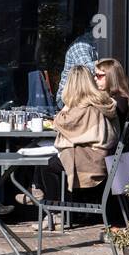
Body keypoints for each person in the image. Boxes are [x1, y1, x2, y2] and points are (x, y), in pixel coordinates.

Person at [38, 65, 119, 202]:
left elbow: (61, 123)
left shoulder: (84, 107)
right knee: (53, 160)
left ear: (71, 85)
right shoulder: (101, 102)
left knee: (47, 165)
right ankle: (51, 203)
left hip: (90, 162)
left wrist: (67, 104)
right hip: (100, 156)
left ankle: (53, 209)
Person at [56, 18, 99, 108]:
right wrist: (105, 64)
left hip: (86, 93)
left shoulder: (96, 45)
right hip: (69, 97)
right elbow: (86, 71)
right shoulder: (81, 45)